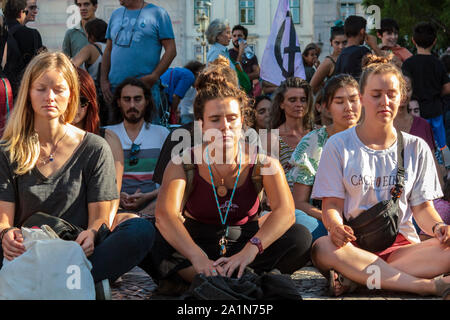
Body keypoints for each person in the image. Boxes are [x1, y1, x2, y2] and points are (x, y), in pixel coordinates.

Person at [143, 61, 312, 290]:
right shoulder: (182, 163)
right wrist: (198, 258)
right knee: (147, 235)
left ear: (242, 120)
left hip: (245, 241)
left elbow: (286, 212)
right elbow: (166, 215)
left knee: (299, 237)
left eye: (232, 118)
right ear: (201, 124)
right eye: (215, 119)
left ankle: (211, 278)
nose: (225, 126)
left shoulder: (264, 163)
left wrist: (248, 252)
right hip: (195, 243)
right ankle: (230, 278)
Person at [0, 51, 154, 296]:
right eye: (41, 88)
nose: (49, 97)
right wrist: (6, 234)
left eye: (58, 89)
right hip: (26, 251)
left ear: (71, 94)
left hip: (76, 250)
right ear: (28, 93)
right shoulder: (9, 150)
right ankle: (79, 281)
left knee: (140, 231)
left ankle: (57, 279)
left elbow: (100, 218)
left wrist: (92, 233)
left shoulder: (94, 147)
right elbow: (4, 218)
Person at [310, 56, 450, 299]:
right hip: (352, 246)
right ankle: (423, 286)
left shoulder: (416, 147)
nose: (385, 101)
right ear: (362, 98)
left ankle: (358, 278)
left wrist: (439, 227)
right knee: (322, 247)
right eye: (376, 95)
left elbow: (423, 208)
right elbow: (331, 205)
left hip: (403, 249)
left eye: (391, 94)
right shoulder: (338, 145)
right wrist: (334, 227)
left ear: (401, 97)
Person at [288, 74, 362, 242]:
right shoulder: (313, 142)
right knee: (298, 222)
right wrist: (334, 223)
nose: (348, 107)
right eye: (339, 102)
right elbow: (299, 202)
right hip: (323, 220)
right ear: (327, 108)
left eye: (353, 100)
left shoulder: (373, 138)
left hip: (366, 220)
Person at [71, 67, 134, 231]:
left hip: (97, 224)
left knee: (136, 226)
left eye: (82, 101)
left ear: (90, 103)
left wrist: (98, 232)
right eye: (69, 100)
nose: (75, 108)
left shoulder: (107, 139)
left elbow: (112, 197)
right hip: (56, 224)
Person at [101, 0, 176, 126]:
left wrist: (154, 76)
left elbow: (171, 50)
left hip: (145, 89)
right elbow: (108, 50)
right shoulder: (116, 15)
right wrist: (103, 80)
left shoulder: (158, 14)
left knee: (150, 135)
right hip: (116, 90)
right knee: (116, 137)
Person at [106, 77, 169, 218]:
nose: (132, 105)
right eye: (127, 99)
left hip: (154, 209)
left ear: (146, 101)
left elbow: (171, 181)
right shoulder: (107, 134)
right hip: (114, 210)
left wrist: (148, 196)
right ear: (119, 102)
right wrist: (116, 195)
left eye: (137, 99)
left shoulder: (162, 134)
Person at [402, 22, 450, 167]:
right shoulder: (438, 63)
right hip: (435, 110)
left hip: (415, 112)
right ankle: (445, 170)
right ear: (434, 41)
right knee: (440, 145)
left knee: (415, 144)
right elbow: (447, 88)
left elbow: (404, 85)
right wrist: (436, 94)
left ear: (413, 40)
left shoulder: (408, 64)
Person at [268, 77, 315, 189]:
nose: (299, 104)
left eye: (303, 100)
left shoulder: (319, 133)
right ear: (281, 104)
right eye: (292, 100)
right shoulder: (270, 138)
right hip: (287, 201)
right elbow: (268, 182)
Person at [71, 18, 109, 125]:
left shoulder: (91, 48)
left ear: (91, 36)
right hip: (112, 94)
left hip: (95, 95)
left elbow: (72, 65)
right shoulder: (113, 48)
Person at [4, 0, 43, 90]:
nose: (35, 11)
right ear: (21, 12)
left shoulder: (3, 31)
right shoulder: (32, 35)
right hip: (22, 91)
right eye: (31, 8)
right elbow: (40, 68)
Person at [206, 19, 251, 94]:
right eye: (227, 33)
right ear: (218, 36)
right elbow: (215, 79)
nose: (230, 37)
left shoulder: (223, 52)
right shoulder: (216, 52)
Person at [334, 15, 382, 81]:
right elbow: (384, 71)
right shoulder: (363, 52)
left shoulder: (341, 56)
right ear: (362, 31)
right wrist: (375, 47)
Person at [310, 21, 347, 93]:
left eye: (344, 42)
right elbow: (312, 87)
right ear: (331, 42)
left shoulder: (350, 58)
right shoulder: (328, 62)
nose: (341, 47)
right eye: (337, 43)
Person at [228, 24, 260, 93]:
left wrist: (243, 77)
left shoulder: (251, 55)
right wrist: (240, 52)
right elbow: (235, 72)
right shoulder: (228, 54)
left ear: (244, 38)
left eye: (239, 36)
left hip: (248, 93)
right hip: (234, 92)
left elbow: (257, 73)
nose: (236, 38)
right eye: (234, 36)